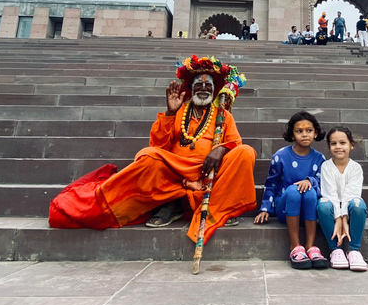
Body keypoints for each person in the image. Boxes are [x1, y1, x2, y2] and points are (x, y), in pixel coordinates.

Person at [48, 55, 257, 247]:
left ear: (214, 90)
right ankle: (172, 202)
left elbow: (234, 143)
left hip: (208, 171)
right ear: (191, 89)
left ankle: (220, 205)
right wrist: (169, 113)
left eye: (208, 85)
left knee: (246, 152)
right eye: (198, 85)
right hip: (174, 170)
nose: (203, 88)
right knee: (148, 155)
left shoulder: (223, 116)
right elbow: (159, 145)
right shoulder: (179, 111)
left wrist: (219, 150)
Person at [254, 112, 328, 269]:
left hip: (309, 207)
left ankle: (310, 247)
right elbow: (271, 183)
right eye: (299, 131)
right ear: (292, 134)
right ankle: (295, 246)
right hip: (285, 209)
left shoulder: (320, 159)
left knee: (309, 191)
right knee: (294, 191)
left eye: (309, 130)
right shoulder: (280, 156)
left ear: (315, 133)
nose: (304, 135)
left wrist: (310, 181)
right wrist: (265, 208)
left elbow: (323, 185)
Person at [316, 126, 368, 272]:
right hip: (331, 208)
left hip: (349, 208)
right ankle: (335, 250)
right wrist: (338, 217)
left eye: (343, 143)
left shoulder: (356, 168)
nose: (338, 147)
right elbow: (329, 193)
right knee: (323, 204)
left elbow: (351, 194)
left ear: (351, 145)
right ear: (329, 146)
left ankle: (353, 250)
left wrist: (344, 218)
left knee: (358, 203)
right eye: (333, 143)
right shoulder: (326, 166)